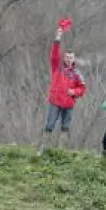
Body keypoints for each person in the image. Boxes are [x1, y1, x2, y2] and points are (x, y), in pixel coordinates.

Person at [36, 25, 87, 156]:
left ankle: (61, 151)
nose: (69, 60)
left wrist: (74, 92)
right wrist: (57, 38)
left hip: (69, 104)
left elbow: (82, 89)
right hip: (55, 101)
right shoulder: (57, 67)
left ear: (74, 59)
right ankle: (42, 149)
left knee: (65, 127)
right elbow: (54, 55)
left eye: (71, 58)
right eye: (67, 57)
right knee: (49, 125)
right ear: (64, 58)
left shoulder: (77, 74)